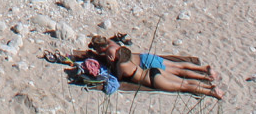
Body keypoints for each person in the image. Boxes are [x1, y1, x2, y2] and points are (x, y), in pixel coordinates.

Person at [83, 36, 223, 99]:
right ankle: (209, 85)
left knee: (184, 86)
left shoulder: (121, 66)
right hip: (153, 71)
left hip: (153, 78)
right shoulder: (126, 59)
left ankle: (211, 91)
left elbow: (117, 79)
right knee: (182, 79)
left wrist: (111, 65)